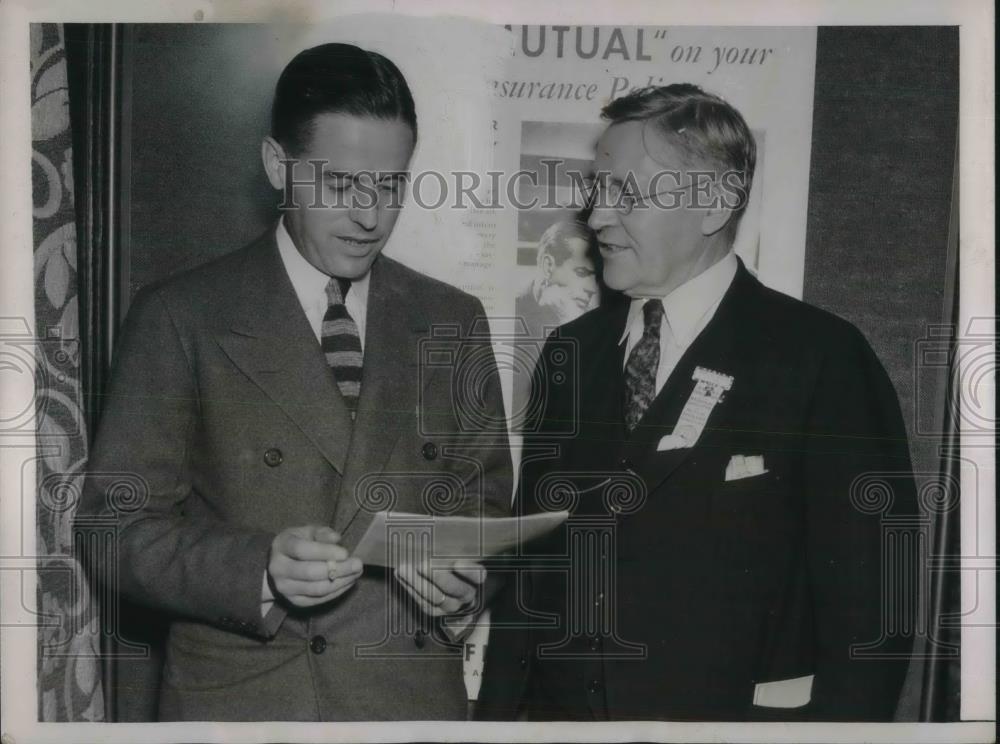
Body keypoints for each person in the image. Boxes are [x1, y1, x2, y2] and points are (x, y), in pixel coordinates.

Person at [78, 43, 511, 721]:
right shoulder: (181, 316)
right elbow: (113, 529)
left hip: (406, 701)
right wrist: (259, 569)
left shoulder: (453, 320)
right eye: (340, 185)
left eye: (391, 185)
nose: (370, 217)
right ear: (277, 165)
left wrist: (463, 581)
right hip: (245, 706)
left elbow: (487, 505)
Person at [478, 83, 917, 721]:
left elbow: (875, 611)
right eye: (599, 189)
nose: (597, 215)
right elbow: (531, 579)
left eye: (626, 192)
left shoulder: (822, 359)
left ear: (714, 205)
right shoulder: (569, 353)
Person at [513, 219, 599, 428]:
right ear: (548, 265)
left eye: (597, 277)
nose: (592, 288)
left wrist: (571, 324)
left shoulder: (588, 320)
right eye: (581, 273)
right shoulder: (511, 317)